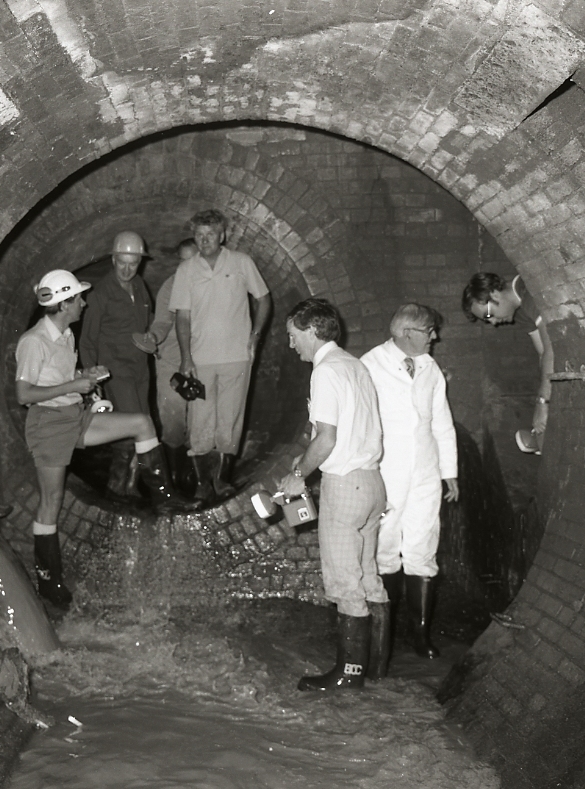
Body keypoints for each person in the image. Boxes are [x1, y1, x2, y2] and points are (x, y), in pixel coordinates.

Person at [16, 270, 195, 609]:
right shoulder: (33, 341)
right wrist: (72, 386)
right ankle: (49, 581)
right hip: (49, 425)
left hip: (75, 416)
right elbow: (24, 393)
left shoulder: (66, 334)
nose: (84, 302)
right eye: (79, 298)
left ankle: (164, 497)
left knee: (142, 423)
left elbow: (59, 378)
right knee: (51, 501)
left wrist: (84, 376)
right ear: (65, 302)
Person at [279, 298, 388, 691]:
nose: (292, 345)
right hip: (373, 483)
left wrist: (297, 475)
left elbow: (327, 439)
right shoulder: (354, 365)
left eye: (293, 337)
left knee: (345, 584)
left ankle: (347, 676)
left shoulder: (324, 372)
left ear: (311, 331)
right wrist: (305, 455)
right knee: (370, 578)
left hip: (345, 486)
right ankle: (376, 669)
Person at [361, 304, 459, 663]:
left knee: (422, 548)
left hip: (426, 474)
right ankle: (383, 634)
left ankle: (420, 635)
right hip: (386, 472)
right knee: (384, 550)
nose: (435, 337)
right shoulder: (370, 366)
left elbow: (441, 422)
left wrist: (450, 472)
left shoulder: (430, 368)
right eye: (429, 331)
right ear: (406, 333)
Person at [170, 210, 272, 500]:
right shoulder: (186, 270)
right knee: (201, 419)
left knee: (230, 418)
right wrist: (186, 356)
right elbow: (183, 318)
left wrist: (256, 336)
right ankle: (203, 482)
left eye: (210, 234)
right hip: (201, 360)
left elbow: (263, 299)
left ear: (222, 235)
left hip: (237, 357)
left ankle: (222, 479)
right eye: (199, 235)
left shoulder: (241, 262)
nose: (204, 240)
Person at [79, 230, 154, 498]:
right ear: (113, 259)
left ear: (140, 262)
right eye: (122, 262)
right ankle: (119, 487)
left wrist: (151, 338)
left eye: (132, 263)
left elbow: (146, 323)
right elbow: (87, 340)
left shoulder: (141, 287)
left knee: (146, 427)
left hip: (141, 370)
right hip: (115, 372)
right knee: (134, 427)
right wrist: (93, 380)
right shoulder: (101, 293)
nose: (126, 269)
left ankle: (132, 485)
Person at [462, 272, 554, 454]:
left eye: (489, 314)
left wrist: (543, 403)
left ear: (495, 294)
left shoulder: (530, 290)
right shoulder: (519, 314)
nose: (494, 322)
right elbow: (542, 352)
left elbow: (551, 348)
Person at [134, 238, 198, 487]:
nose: (187, 266)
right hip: (171, 361)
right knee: (173, 420)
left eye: (192, 260)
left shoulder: (212, 285)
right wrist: (154, 336)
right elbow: (162, 321)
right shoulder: (171, 287)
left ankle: (191, 476)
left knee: (199, 421)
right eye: (182, 261)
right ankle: (170, 478)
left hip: (201, 361)